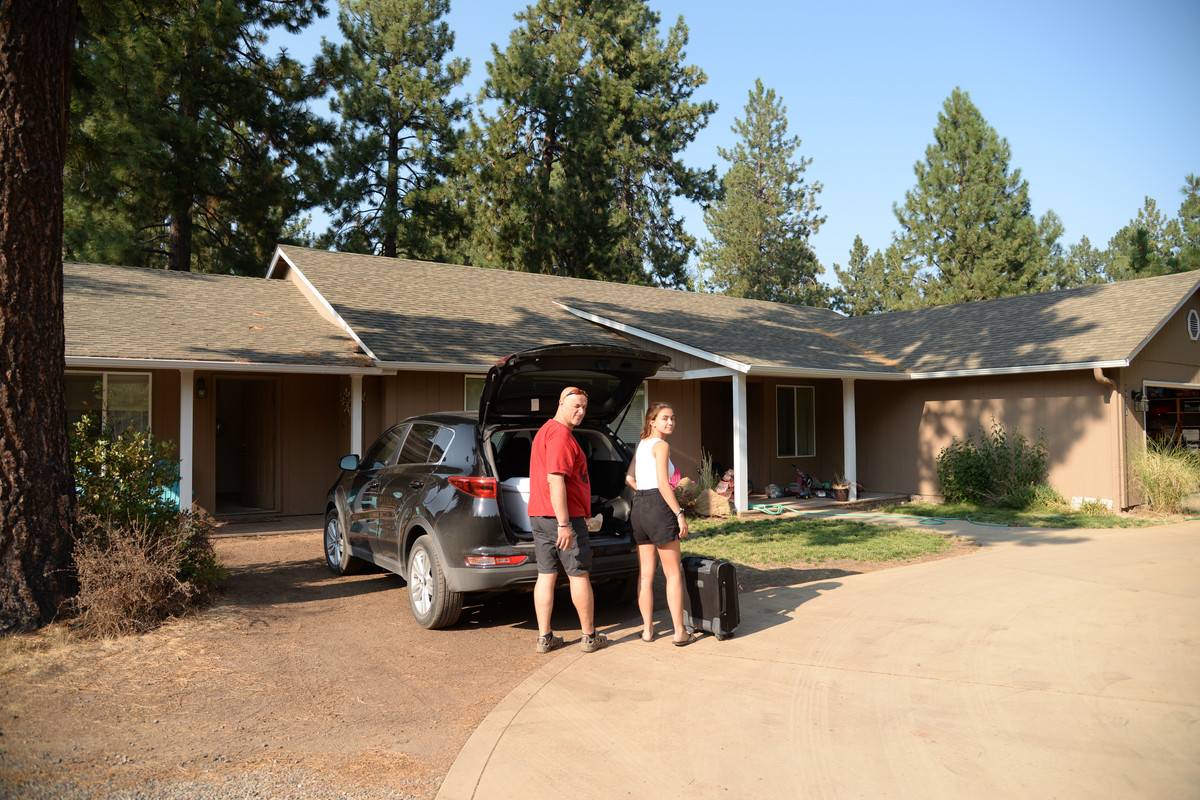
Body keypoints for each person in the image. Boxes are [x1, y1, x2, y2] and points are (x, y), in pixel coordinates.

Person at [527, 386, 608, 654]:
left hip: (539, 515)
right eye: (576, 406)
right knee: (578, 575)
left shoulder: (545, 431)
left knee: (546, 575)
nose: (581, 411)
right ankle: (589, 636)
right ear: (561, 403)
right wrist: (564, 523)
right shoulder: (561, 435)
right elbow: (556, 479)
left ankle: (545, 637)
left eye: (584, 407)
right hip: (562, 518)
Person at [625, 401, 694, 646]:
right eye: (665, 418)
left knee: (645, 575)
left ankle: (647, 631)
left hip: (639, 506)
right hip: (657, 505)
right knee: (673, 574)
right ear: (651, 421)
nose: (670, 422)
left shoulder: (641, 445)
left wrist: (644, 494)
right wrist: (679, 513)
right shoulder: (661, 445)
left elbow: (629, 478)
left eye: (673, 418)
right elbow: (664, 484)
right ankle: (679, 632)